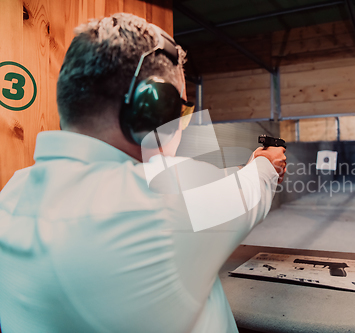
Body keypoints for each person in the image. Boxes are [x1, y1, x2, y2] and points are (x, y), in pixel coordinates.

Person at [0, 13, 286, 333]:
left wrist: (250, 166)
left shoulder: (11, 192)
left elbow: (218, 185)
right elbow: (250, 190)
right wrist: (267, 162)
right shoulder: (160, 199)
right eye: (179, 110)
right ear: (154, 109)